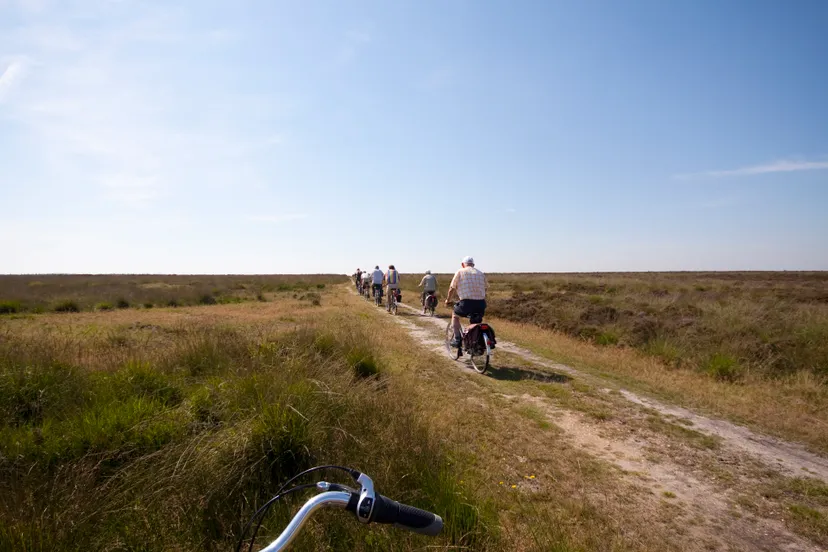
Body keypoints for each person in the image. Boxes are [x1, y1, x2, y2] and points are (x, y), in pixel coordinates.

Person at [445, 256, 488, 347]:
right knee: (476, 320)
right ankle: (475, 341)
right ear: (473, 265)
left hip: (466, 304)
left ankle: (457, 339)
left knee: (455, 315)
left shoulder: (460, 271)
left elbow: (452, 288)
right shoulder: (480, 273)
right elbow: (485, 288)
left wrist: (448, 300)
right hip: (481, 304)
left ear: (462, 264)